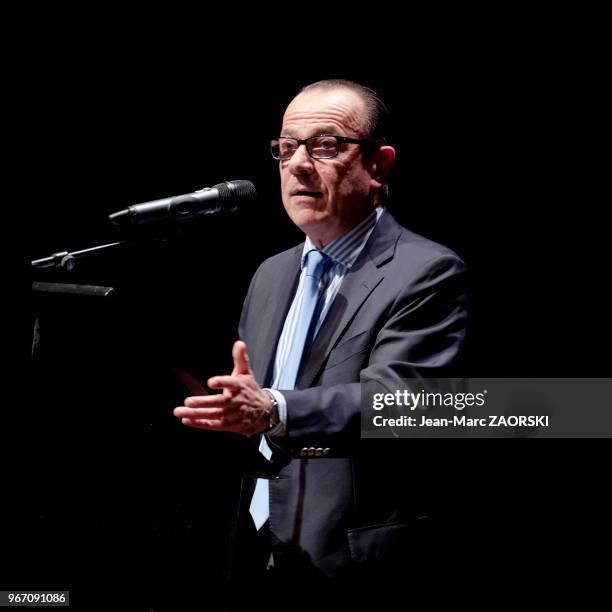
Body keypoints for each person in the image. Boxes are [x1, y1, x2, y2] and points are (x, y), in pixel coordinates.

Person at [174, 79, 467, 609]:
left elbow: (401, 403)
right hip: (252, 547)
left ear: (378, 164)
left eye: (326, 145)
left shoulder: (427, 271)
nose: (299, 164)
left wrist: (274, 408)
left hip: (352, 565)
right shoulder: (270, 273)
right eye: (287, 148)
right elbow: (252, 414)